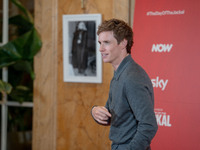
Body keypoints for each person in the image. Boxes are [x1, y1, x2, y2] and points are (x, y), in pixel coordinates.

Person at [91, 18, 158, 150]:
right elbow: (112, 116)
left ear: (123, 43)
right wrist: (95, 111)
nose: (100, 49)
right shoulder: (119, 74)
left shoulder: (132, 77)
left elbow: (149, 125)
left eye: (106, 43)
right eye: (100, 43)